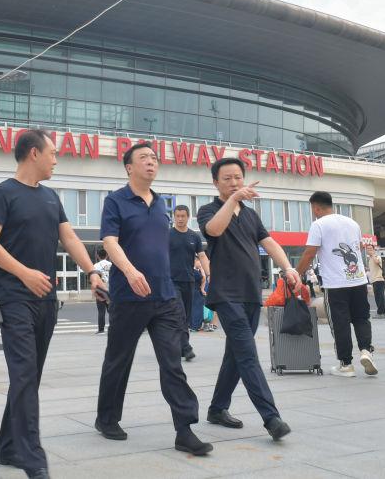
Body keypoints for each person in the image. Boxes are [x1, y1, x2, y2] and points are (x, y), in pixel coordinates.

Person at [0, 129, 105, 479]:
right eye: (52, 153)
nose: (56, 160)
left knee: (28, 377)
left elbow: (69, 237)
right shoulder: (2, 194)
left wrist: (92, 272)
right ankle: (33, 457)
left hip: (45, 300)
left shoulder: (50, 197)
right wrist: (24, 274)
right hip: (13, 297)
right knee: (23, 374)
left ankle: (8, 447)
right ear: (33, 153)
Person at [95, 143, 212, 456]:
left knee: (172, 362)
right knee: (118, 360)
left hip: (165, 296)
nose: (151, 162)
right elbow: (109, 241)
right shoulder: (116, 201)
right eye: (144, 158)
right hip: (128, 296)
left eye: (154, 158)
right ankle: (107, 418)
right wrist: (130, 271)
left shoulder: (161, 203)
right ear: (129, 167)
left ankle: (184, 430)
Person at [197, 157, 295, 440]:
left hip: (252, 293)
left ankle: (217, 408)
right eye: (227, 178)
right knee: (248, 354)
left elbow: (269, 243)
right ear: (215, 183)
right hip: (226, 294)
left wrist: (288, 268)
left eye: (238, 177)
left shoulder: (251, 215)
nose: (234, 183)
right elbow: (214, 230)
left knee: (236, 354)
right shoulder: (208, 210)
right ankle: (271, 418)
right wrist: (234, 199)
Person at [297, 191, 378, 378]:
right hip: (358, 281)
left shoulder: (318, 225)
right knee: (361, 318)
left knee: (340, 323)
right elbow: (357, 248)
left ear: (316, 207)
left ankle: (346, 364)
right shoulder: (352, 223)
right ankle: (366, 351)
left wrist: (296, 273)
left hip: (335, 285)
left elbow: (310, 253)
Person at [169, 205, 208, 361]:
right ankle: (186, 347)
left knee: (186, 316)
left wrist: (209, 274)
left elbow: (202, 256)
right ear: (174, 217)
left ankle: (178, 345)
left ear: (188, 217)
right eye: (177, 216)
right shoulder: (167, 235)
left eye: (183, 216)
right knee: (180, 313)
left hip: (189, 281)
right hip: (171, 281)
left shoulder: (194, 236)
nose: (180, 219)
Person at [92, 247, 111, 333]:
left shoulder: (95, 266)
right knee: (111, 310)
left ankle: (101, 329)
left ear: (97, 256)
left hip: (100, 290)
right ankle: (113, 327)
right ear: (107, 255)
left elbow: (93, 278)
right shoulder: (111, 265)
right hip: (110, 289)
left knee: (101, 311)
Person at [367, 246, 385, 319]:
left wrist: (373, 254)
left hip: (378, 279)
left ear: (374, 250)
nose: (369, 250)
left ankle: (380, 313)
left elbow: (377, 262)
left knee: (379, 297)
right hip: (375, 280)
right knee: (381, 297)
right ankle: (384, 313)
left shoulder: (376, 256)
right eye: (368, 249)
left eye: (370, 249)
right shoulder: (370, 259)